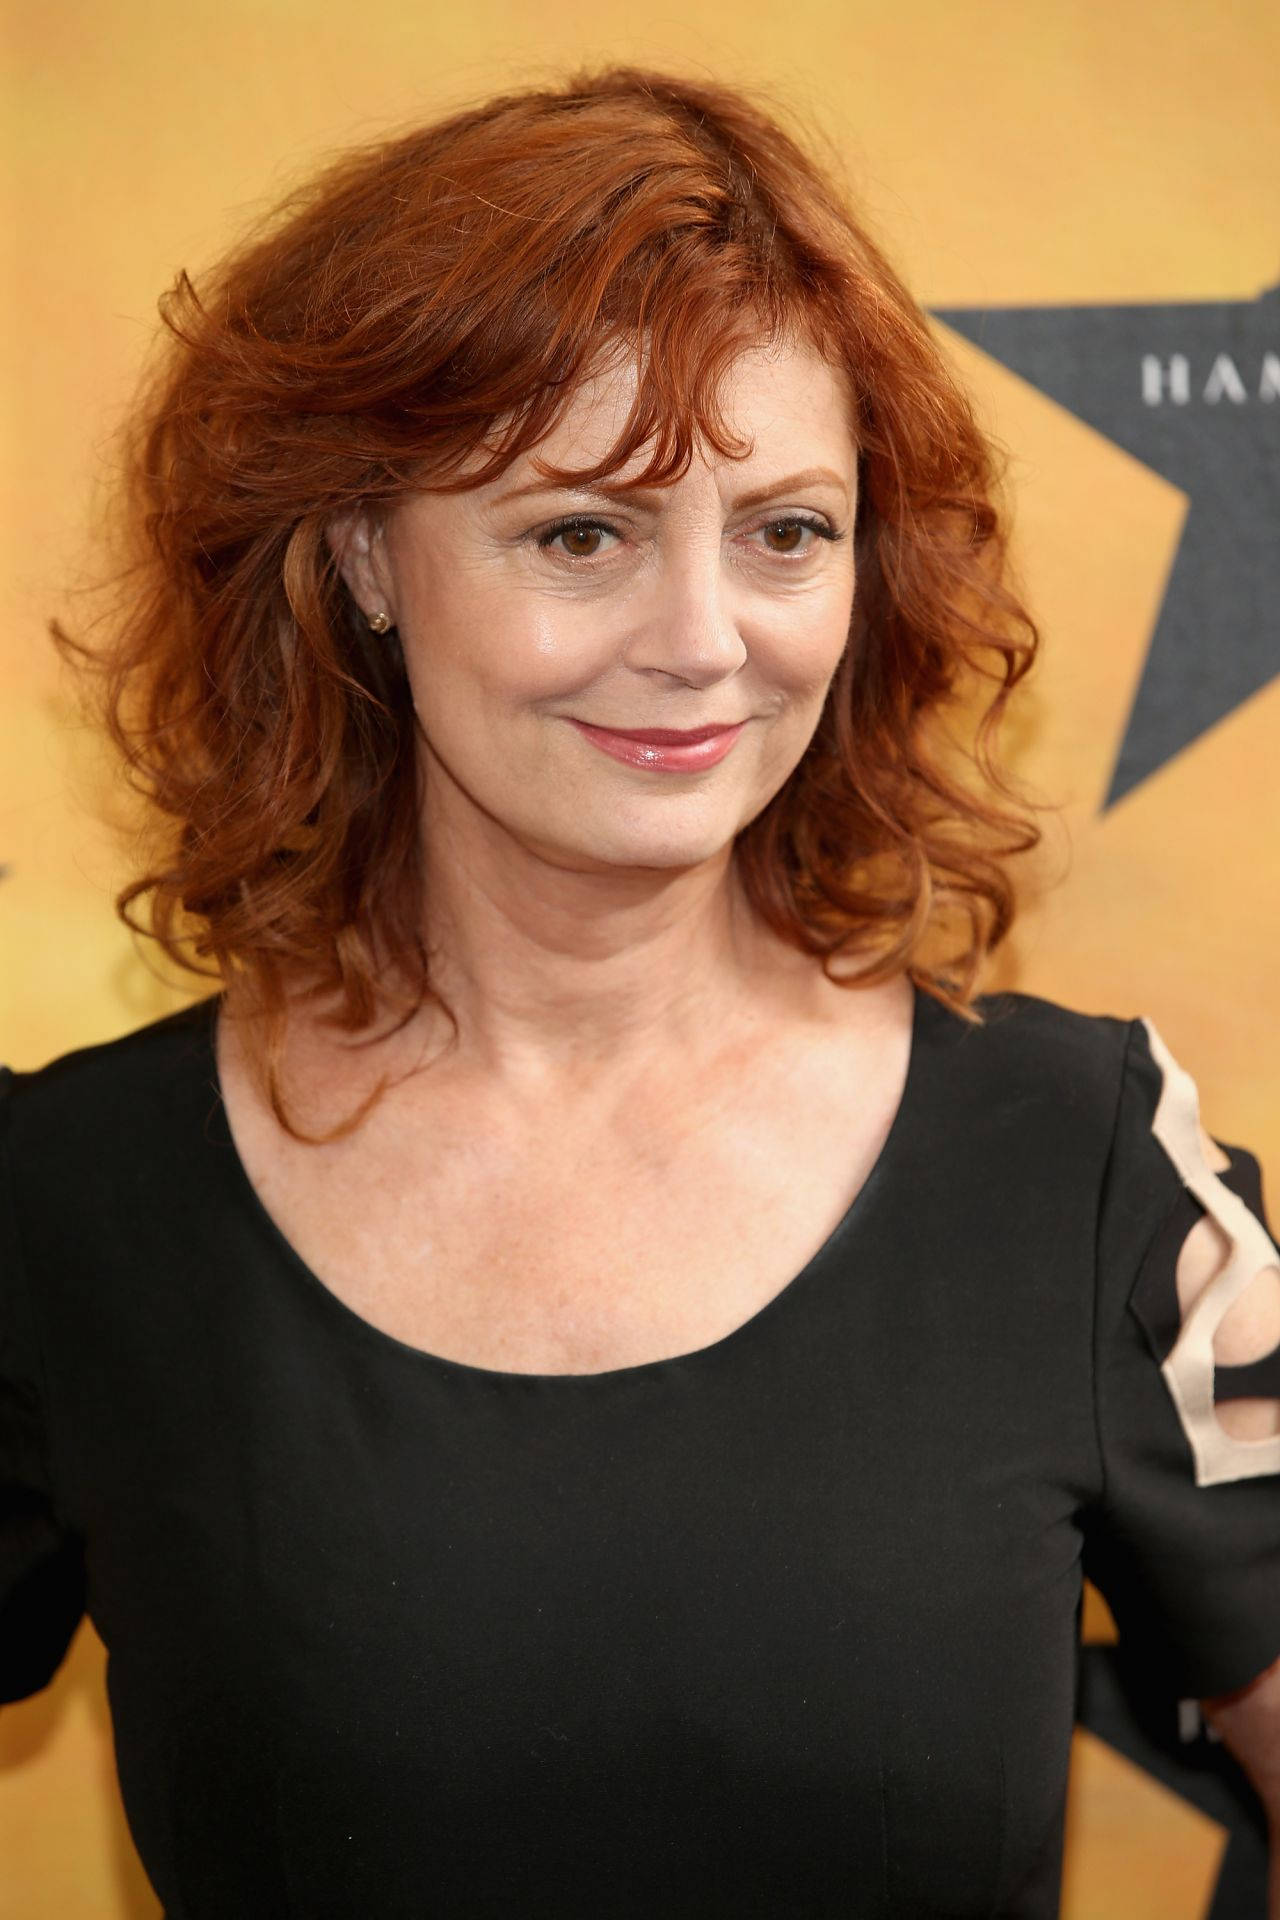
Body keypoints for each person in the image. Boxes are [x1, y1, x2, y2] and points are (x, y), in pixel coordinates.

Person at [2, 64, 1277, 1919]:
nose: (702, 644)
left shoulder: (1084, 1163)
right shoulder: (74, 1199)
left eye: (785, 532)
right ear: (363, 556)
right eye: (580, 532)